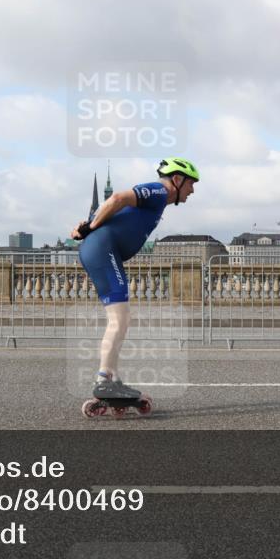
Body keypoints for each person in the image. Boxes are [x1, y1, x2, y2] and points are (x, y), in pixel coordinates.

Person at [71, 157, 199, 402]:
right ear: (177, 179)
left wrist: (87, 225)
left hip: (103, 250)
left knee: (121, 318)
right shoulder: (160, 191)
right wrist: (90, 227)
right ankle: (104, 380)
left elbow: (115, 209)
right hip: (103, 250)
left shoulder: (159, 199)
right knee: (119, 319)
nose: (192, 190)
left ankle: (112, 378)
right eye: (191, 183)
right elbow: (118, 198)